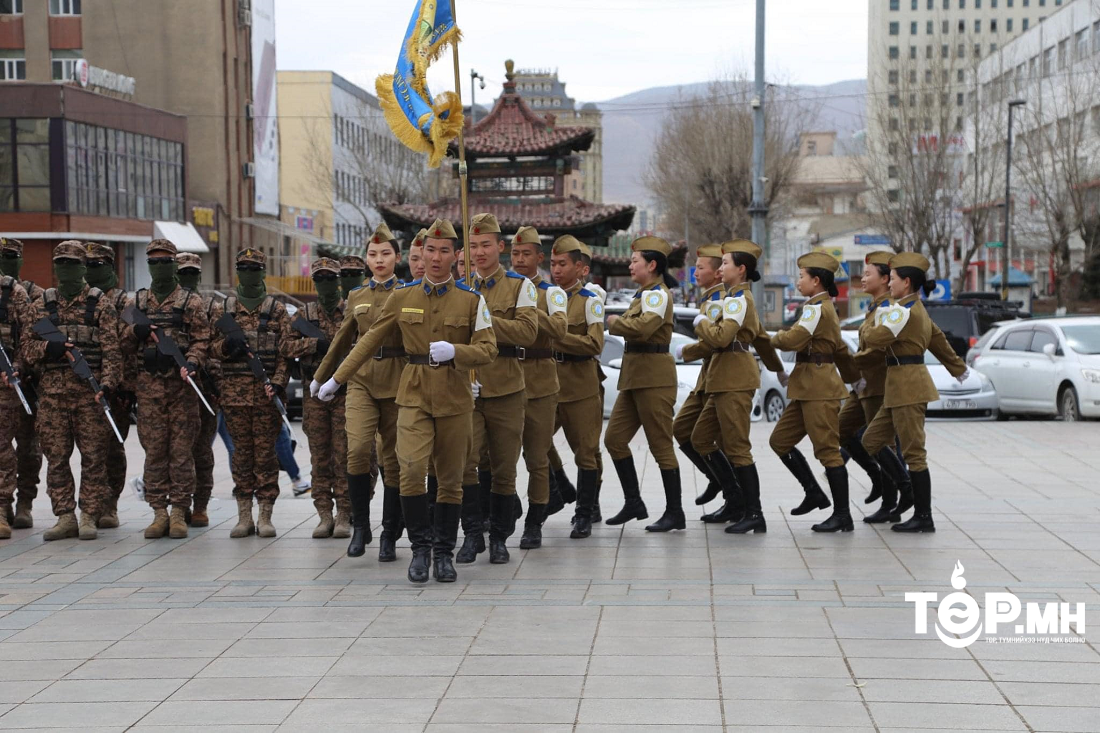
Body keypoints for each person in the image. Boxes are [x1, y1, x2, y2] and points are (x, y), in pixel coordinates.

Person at [317, 218, 496, 584]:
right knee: (412, 469)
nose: (434, 257)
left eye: (444, 251)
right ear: (422, 254)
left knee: (449, 480)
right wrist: (336, 377)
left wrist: (457, 352)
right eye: (429, 250)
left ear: (455, 256)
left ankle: (443, 553)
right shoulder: (403, 296)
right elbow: (368, 341)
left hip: (454, 397)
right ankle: (420, 548)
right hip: (412, 393)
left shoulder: (472, 300)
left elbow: (488, 349)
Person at [314, 224, 408, 561]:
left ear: (398, 258)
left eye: (385, 254)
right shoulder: (357, 296)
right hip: (362, 382)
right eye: (372, 254)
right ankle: (360, 526)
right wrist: (321, 375)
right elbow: (343, 339)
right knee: (355, 451)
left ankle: (390, 533)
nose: (379, 259)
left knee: (394, 461)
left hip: (398, 381)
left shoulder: (408, 292)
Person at [859, 252, 969, 533]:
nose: (890, 284)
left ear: (906, 282)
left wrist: (873, 320)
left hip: (909, 386)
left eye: (893, 279)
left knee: (914, 454)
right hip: (898, 386)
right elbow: (939, 341)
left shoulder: (901, 311)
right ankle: (906, 489)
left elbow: (874, 337)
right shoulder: (917, 310)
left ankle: (923, 515)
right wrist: (958, 368)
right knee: (871, 440)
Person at [22, 241, 122, 540]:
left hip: (89, 396)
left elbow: (112, 352)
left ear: (82, 268)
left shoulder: (99, 303)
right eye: (60, 263)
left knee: (94, 458)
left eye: (71, 264)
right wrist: (47, 348)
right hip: (52, 397)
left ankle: (89, 515)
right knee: (57, 458)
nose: (65, 269)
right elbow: (26, 351)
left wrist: (107, 384)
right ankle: (65, 516)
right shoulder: (41, 304)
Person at [455, 213, 538, 565]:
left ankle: (500, 537)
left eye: (486, 245)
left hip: (505, 388)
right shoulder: (459, 288)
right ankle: (473, 533)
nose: (479, 253)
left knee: (504, 468)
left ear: (501, 247)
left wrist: (485, 316)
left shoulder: (521, 287)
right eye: (472, 247)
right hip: (466, 389)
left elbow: (527, 333)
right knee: (466, 465)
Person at [689, 239, 785, 534]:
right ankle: (735, 500)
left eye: (727, 263)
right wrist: (777, 368)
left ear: (741, 269)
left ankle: (753, 512)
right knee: (701, 438)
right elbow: (762, 338)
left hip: (735, 379)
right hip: (722, 377)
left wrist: (700, 321)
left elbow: (720, 337)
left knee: (738, 448)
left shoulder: (739, 301)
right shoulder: (733, 299)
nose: (721, 269)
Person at [768, 251, 860, 532]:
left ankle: (843, 515)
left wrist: (772, 337)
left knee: (828, 452)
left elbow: (795, 339)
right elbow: (840, 348)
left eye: (802, 276)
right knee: (780, 441)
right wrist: (853, 376)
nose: (798, 281)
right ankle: (813, 491)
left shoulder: (816, 308)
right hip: (807, 386)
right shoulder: (819, 307)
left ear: (816, 280)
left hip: (819, 388)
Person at [124, 239, 210, 539]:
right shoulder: (137, 303)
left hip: (181, 389)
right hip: (149, 390)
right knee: (154, 453)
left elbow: (202, 340)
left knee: (181, 453)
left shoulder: (191, 302)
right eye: (154, 262)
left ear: (175, 265)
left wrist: (193, 361)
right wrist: (134, 331)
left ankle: (178, 512)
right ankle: (159, 512)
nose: (159, 268)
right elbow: (121, 343)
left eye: (165, 262)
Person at [210, 248, 292, 539]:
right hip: (234, 396)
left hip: (267, 395)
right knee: (241, 456)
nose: (248, 273)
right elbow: (211, 349)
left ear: (262, 273)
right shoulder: (225, 309)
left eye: (254, 268)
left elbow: (285, 354)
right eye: (243, 268)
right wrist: (226, 348)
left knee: (267, 456)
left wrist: (279, 383)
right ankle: (244, 516)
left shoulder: (277, 310)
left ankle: (265, 515)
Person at [603, 236, 683, 532]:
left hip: (654, 380)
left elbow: (645, 328)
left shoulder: (657, 294)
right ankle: (634, 501)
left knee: (661, 445)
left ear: (652, 265)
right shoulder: (643, 294)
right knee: (614, 439)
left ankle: (675, 511)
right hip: (636, 378)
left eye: (635, 260)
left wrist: (615, 323)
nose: (630, 264)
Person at [838, 251, 911, 524]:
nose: (862, 278)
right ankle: (877, 477)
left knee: (883, 442)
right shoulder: (873, 307)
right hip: (863, 386)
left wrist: (852, 362)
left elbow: (878, 347)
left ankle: (894, 501)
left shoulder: (888, 309)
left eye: (868, 274)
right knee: (839, 430)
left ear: (884, 279)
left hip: (879, 384)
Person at [508, 226, 568, 549]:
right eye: (515, 254)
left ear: (539, 257)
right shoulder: (503, 289)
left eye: (526, 254)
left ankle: (535, 520)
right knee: (500, 454)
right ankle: (506, 507)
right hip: (506, 377)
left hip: (540, 381)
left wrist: (531, 311)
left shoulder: (552, 294)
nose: (519, 260)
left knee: (536, 456)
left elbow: (559, 328)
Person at [283, 257, 351, 540]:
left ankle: (345, 514)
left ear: (338, 280)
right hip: (314, 393)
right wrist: (315, 343)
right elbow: (286, 347)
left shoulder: (350, 311)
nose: (325, 284)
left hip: (345, 392)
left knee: (344, 455)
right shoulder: (302, 315)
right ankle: (324, 514)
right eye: (320, 279)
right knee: (320, 456)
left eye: (330, 278)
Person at [548, 235, 606, 539]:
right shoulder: (546, 298)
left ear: (579, 267)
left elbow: (595, 343)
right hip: (549, 383)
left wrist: (558, 338)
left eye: (562, 264)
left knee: (585, 452)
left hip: (581, 384)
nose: (556, 270)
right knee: (535, 440)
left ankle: (584, 512)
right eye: (553, 264)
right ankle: (560, 487)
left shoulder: (590, 302)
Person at [671, 244, 728, 517]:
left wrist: (686, 351)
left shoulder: (718, 300)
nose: (695, 272)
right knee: (682, 429)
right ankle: (718, 479)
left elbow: (714, 341)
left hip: (719, 376)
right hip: (708, 376)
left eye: (701, 268)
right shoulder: (708, 298)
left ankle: (734, 496)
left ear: (718, 274)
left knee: (718, 441)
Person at [83, 242, 136, 530]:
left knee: (113, 448)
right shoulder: (80, 300)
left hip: (118, 390)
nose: (92, 271)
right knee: (90, 450)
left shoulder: (124, 304)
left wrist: (128, 387)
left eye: (98, 265)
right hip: (84, 387)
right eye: (88, 265)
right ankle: (89, 504)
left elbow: (133, 342)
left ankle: (110, 503)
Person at [0, 237, 44, 529]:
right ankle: (2, 508)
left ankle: (23, 502)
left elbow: (29, 338)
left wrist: (17, 367)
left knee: (27, 448)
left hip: (17, 383)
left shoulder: (17, 293)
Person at [176, 253, 221, 527]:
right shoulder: (165, 307)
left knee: (202, 451)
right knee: (176, 452)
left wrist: (214, 383)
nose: (188, 278)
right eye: (183, 273)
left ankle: (200, 505)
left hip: (204, 389)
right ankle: (176, 506)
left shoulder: (212, 307)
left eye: (193, 273)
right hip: (174, 390)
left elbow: (216, 349)